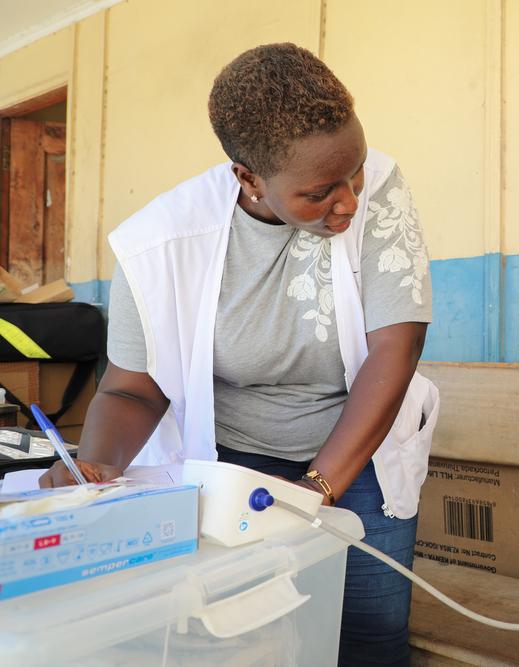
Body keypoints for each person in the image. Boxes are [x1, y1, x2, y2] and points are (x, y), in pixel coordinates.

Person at [40, 43, 438, 666]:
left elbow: (397, 344)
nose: (350, 201)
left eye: (353, 172)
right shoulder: (162, 244)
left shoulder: (379, 185)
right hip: (226, 464)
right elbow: (131, 389)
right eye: (320, 192)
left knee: (368, 631)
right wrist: (96, 467)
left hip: (355, 453)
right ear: (248, 176)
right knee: (239, 636)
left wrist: (317, 487)